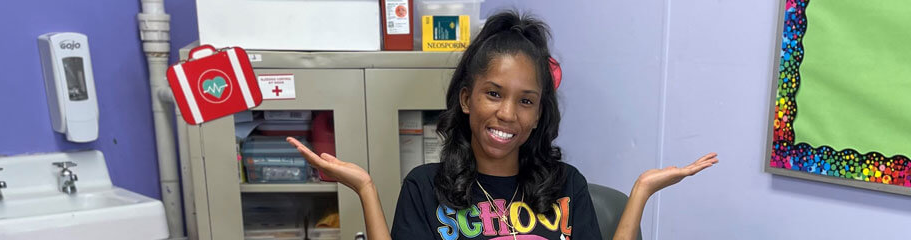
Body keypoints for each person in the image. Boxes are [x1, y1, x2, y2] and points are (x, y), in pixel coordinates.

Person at [286, 10, 719, 240]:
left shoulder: (568, 186)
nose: (508, 114)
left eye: (526, 101)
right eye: (494, 93)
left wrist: (641, 191)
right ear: (466, 99)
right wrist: (366, 190)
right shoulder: (424, 187)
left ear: (538, 115)